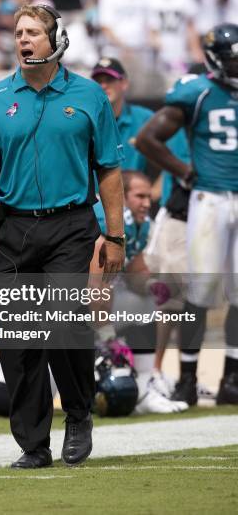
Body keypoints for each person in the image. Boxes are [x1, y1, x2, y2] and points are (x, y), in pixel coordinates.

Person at [0, 4, 125, 469]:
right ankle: (34, 444)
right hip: (12, 229)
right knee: (18, 341)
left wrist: (116, 236)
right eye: (18, 33)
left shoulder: (88, 96)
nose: (23, 40)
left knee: (66, 327)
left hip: (71, 225)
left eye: (32, 33)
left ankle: (79, 414)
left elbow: (108, 170)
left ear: (55, 41)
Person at [136, 23, 238, 406]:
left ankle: (231, 378)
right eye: (233, 59)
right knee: (200, 290)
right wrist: (183, 171)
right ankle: (187, 378)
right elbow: (148, 138)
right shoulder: (197, 92)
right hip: (209, 197)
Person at [91, 170, 188, 414]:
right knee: (29, 397)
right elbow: (95, 287)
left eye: (148, 196)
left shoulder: (139, 224)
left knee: (149, 297)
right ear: (121, 196)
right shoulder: (110, 220)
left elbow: (135, 272)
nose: (147, 202)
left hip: (85, 308)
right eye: (139, 196)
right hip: (63, 313)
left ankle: (146, 385)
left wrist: (152, 285)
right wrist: (107, 336)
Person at [90, 56, 152, 172]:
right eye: (98, 81)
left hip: (135, 188)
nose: (103, 86)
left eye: (109, 80)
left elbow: (177, 151)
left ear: (124, 83)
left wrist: (156, 189)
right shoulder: (85, 120)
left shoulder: (144, 118)